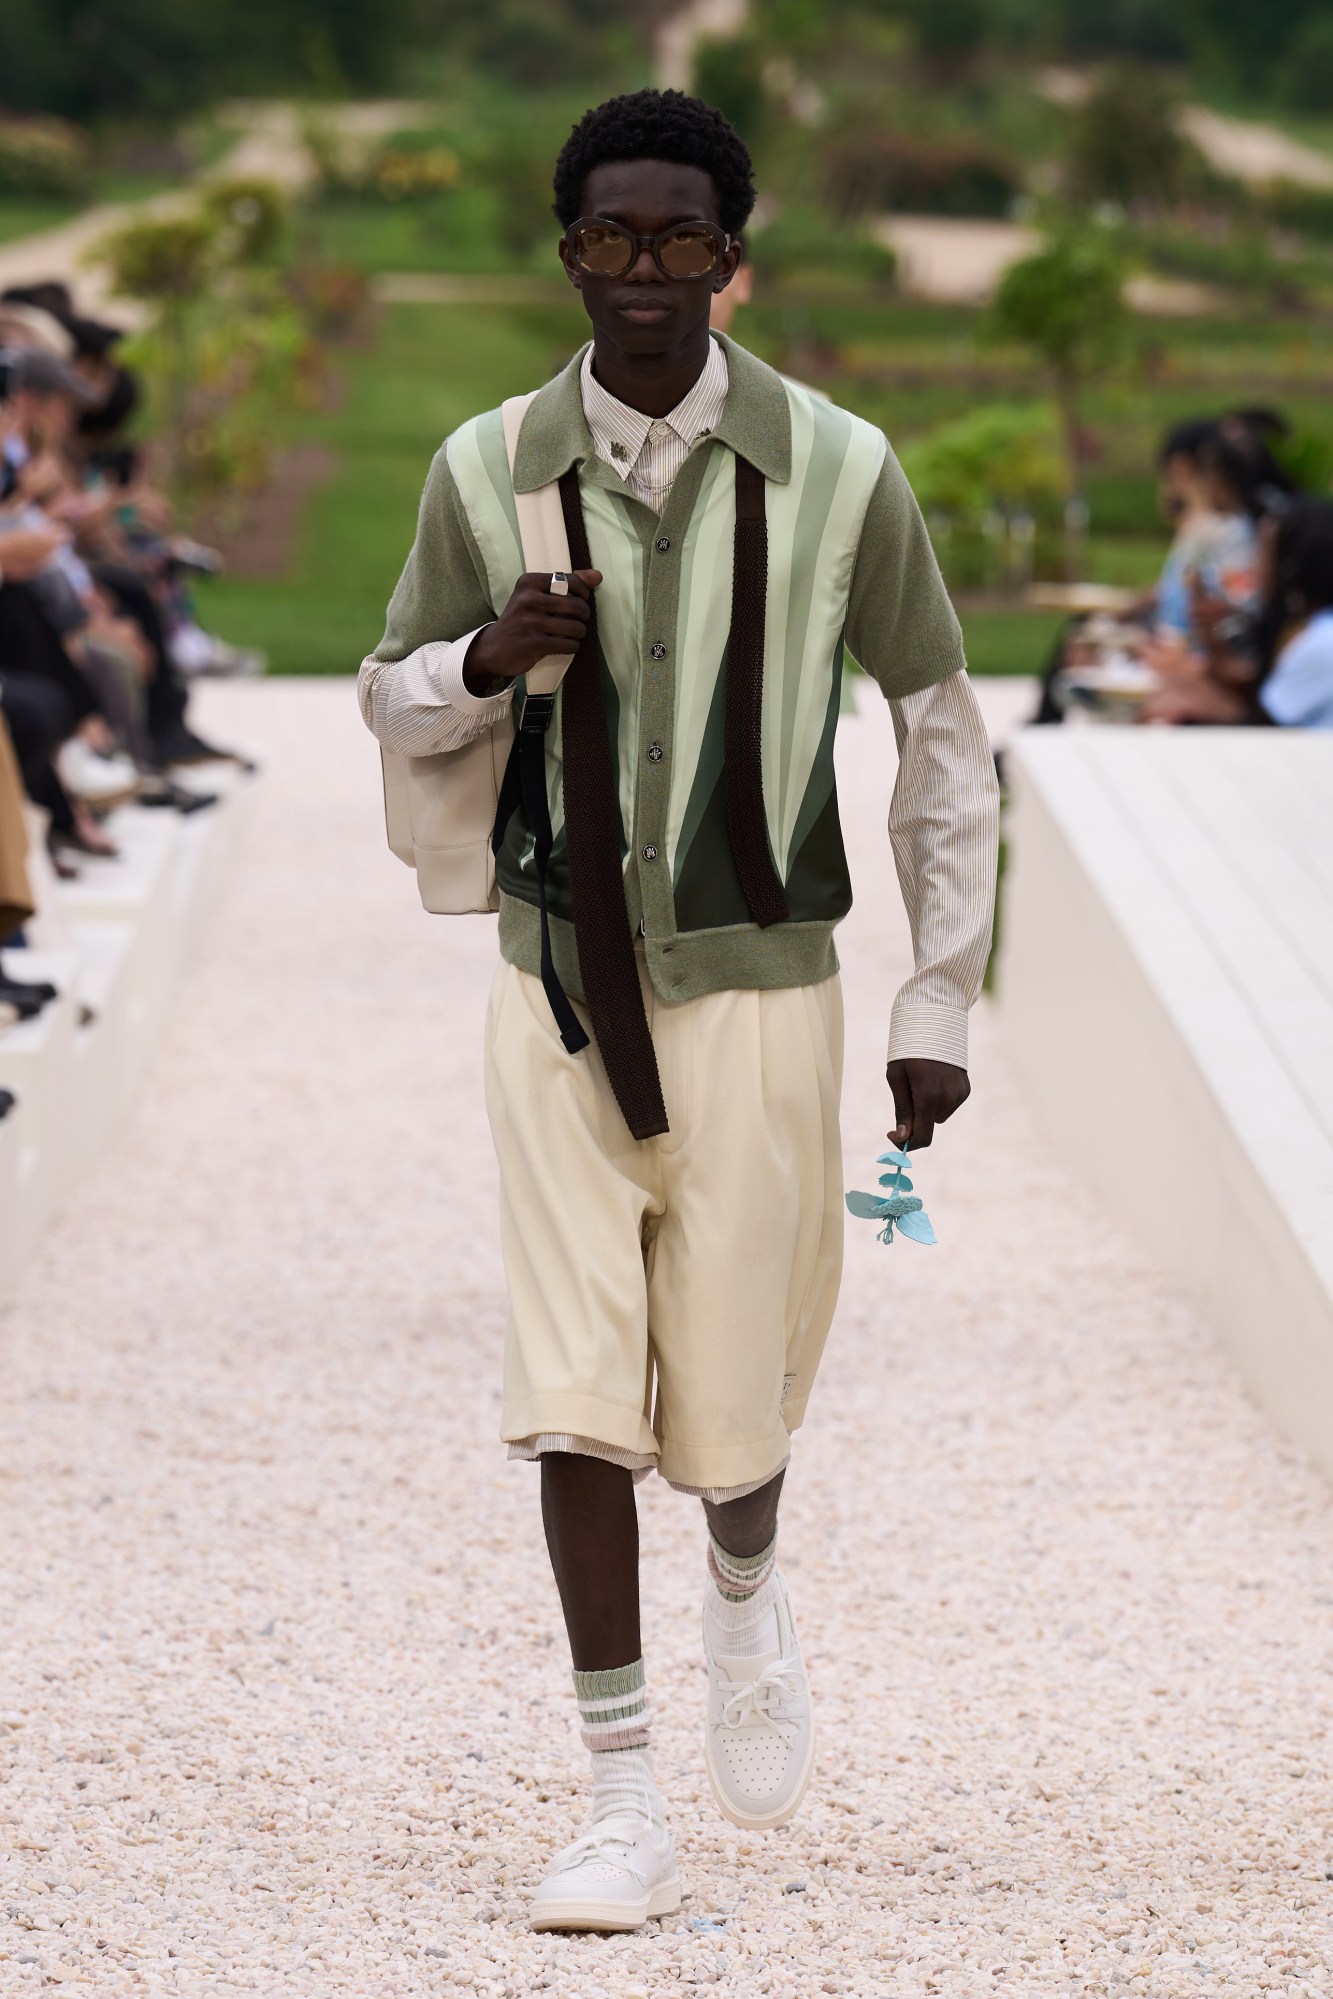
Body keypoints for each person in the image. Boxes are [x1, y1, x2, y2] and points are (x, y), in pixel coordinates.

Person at [358, 89, 999, 1933]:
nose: (642, 277)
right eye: (606, 239)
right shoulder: (488, 468)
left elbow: (937, 734)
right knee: (573, 1388)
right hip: (556, 988)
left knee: (734, 1395)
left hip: (766, 999)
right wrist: (482, 659)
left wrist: (934, 987)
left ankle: (743, 1573)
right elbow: (390, 693)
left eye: (678, 243)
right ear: (564, 245)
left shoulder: (842, 471)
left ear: (733, 256)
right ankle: (618, 1789)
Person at [1140, 498, 1333, 728]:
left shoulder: (1321, 642)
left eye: (1263, 555)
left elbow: (1261, 731)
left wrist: (1203, 699)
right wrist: (1209, 639)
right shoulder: (1310, 629)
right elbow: (1254, 686)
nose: (1256, 567)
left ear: (1289, 567)